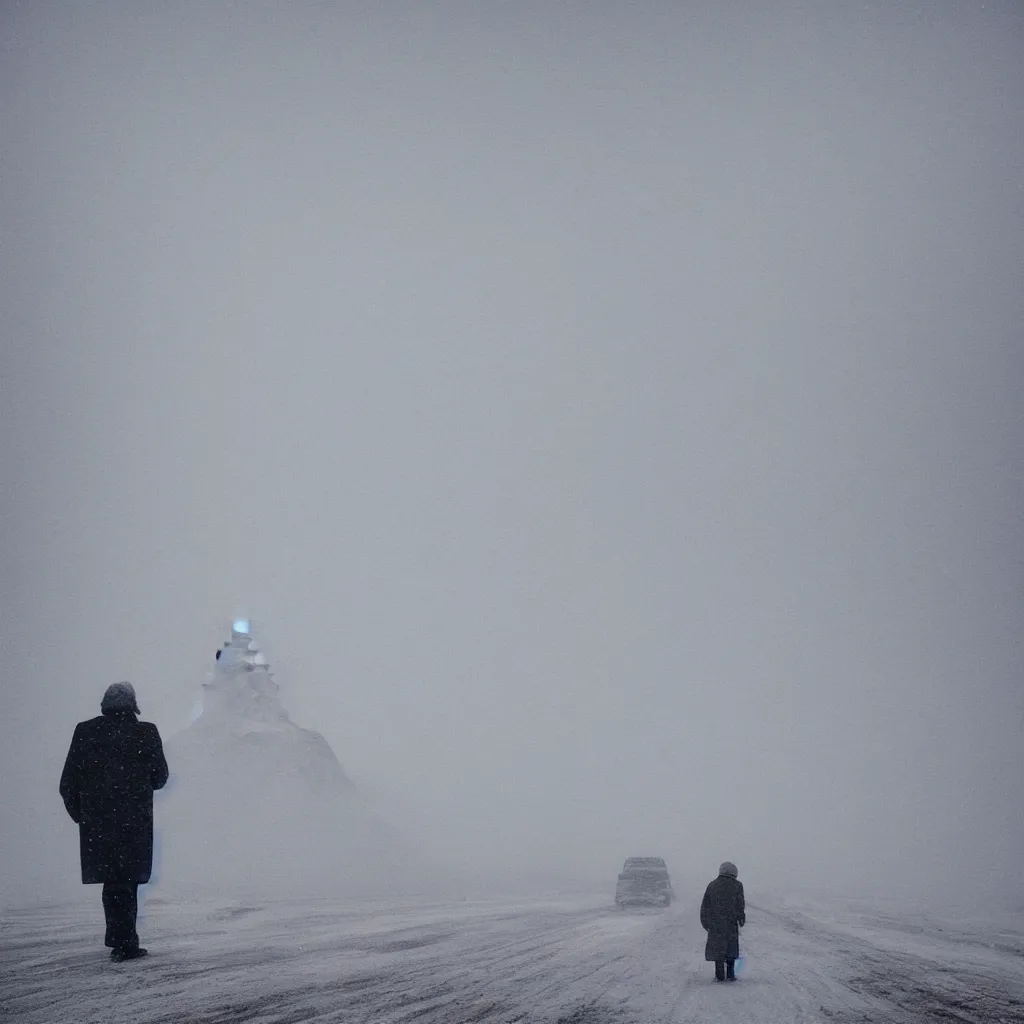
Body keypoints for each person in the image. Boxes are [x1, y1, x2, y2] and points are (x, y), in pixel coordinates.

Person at [59, 682, 169, 961]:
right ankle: (125, 943)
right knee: (126, 882)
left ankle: (121, 940)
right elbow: (160, 778)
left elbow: (67, 782)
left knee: (113, 882)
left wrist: (82, 817)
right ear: (133, 705)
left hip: (99, 826)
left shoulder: (85, 732)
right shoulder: (146, 732)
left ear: (104, 705)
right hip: (134, 823)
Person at [700, 861, 745, 981]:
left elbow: (705, 905)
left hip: (716, 923)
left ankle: (719, 974)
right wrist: (741, 918)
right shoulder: (737, 885)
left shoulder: (712, 885)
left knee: (717, 948)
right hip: (731, 922)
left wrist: (705, 922)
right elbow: (740, 905)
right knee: (731, 947)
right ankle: (730, 974)